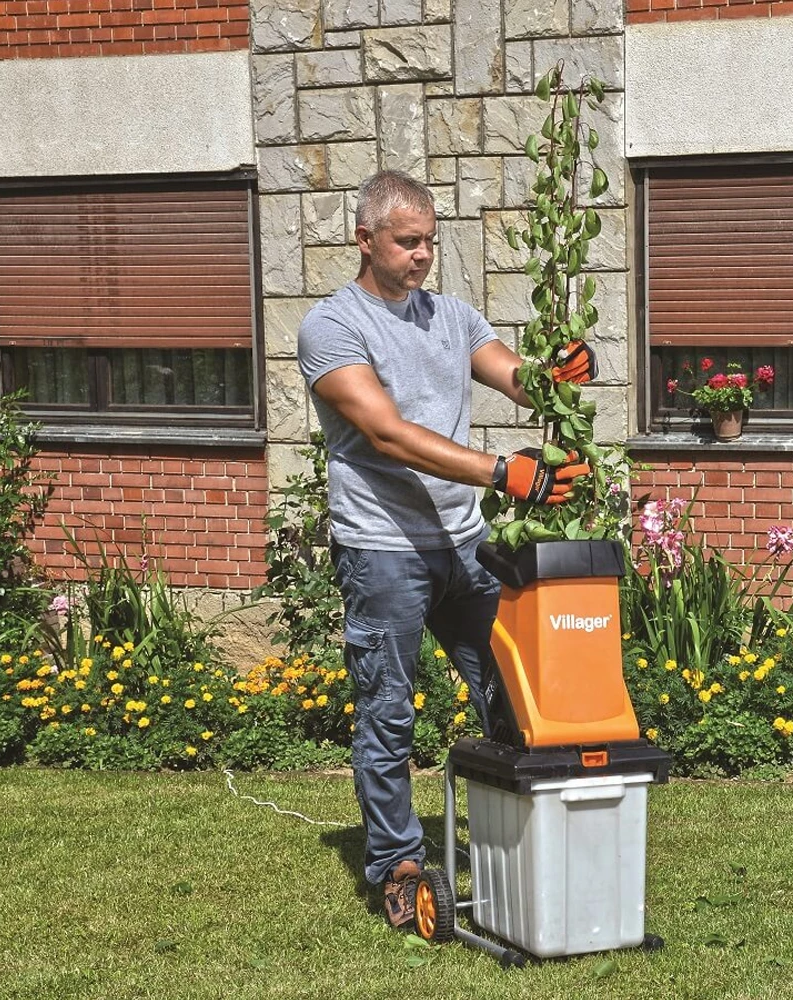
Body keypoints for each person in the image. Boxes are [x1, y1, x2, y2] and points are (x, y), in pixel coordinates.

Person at [297, 170, 597, 929]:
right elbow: (387, 433)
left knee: (512, 692)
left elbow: (517, 379)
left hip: (466, 546)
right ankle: (398, 866)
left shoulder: (453, 316)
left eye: (431, 240)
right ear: (364, 240)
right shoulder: (331, 327)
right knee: (389, 713)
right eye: (408, 241)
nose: (424, 254)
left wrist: (556, 376)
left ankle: (517, 838)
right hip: (383, 550)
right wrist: (503, 473)